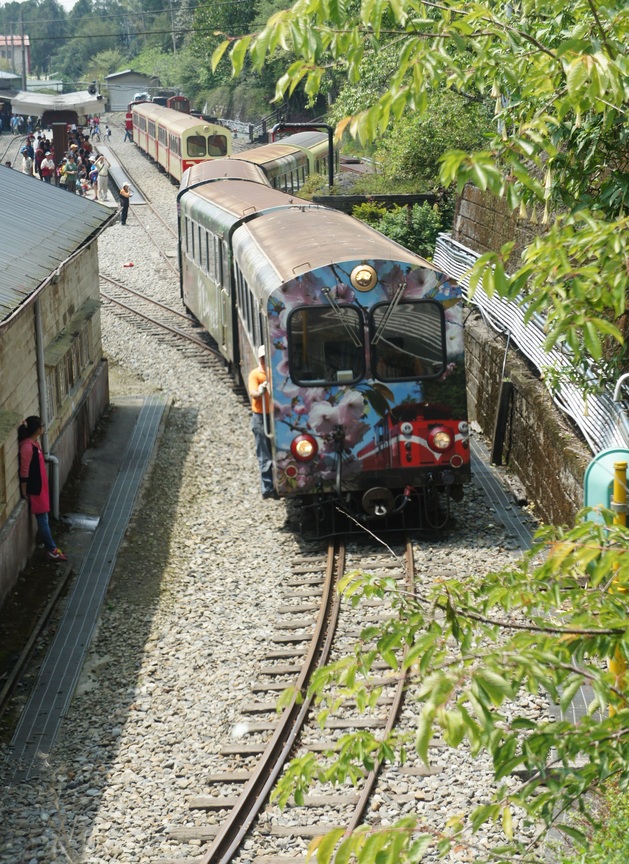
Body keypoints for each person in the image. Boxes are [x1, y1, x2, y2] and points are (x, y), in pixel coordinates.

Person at [18, 416, 67, 562]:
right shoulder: (27, 447)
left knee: (44, 518)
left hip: (40, 487)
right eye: (41, 426)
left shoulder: (33, 444)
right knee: (43, 520)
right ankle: (51, 549)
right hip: (35, 489)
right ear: (37, 429)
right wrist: (24, 491)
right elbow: (24, 472)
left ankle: (50, 546)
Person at [248, 345, 276, 498]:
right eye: (262, 357)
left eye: (267, 357)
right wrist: (260, 391)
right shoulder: (255, 374)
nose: (264, 360)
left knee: (274, 450)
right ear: (259, 358)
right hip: (260, 415)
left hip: (272, 414)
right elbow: (253, 393)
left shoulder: (272, 373)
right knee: (263, 451)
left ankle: (276, 482)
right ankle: (267, 487)